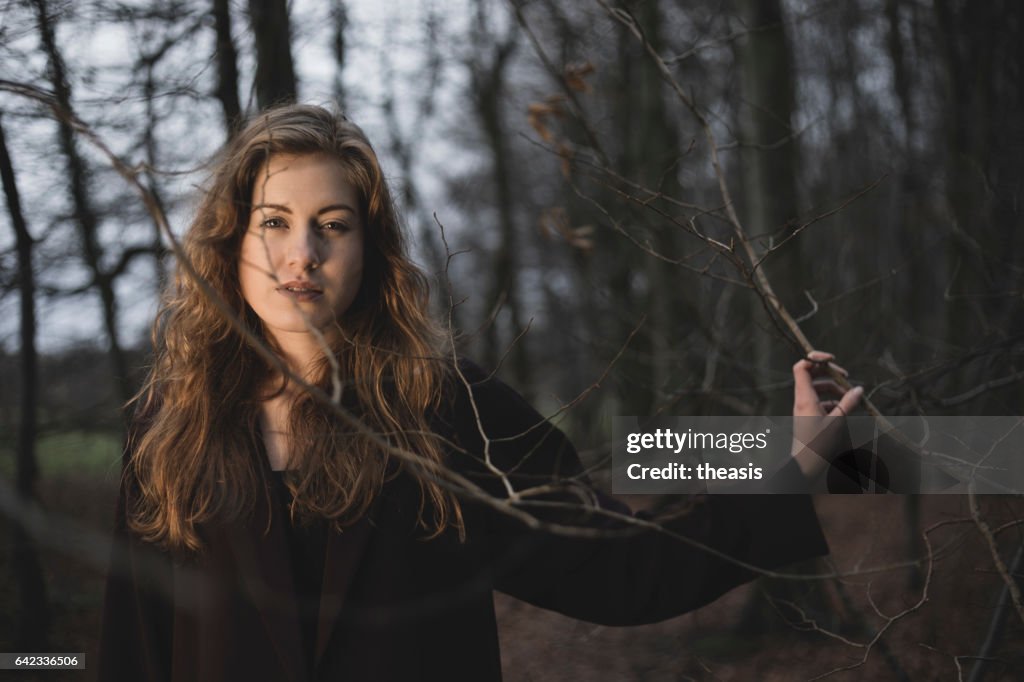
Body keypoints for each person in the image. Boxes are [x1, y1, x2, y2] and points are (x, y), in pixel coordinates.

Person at [98, 104, 862, 682]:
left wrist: (786, 467)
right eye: (275, 221)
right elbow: (135, 647)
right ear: (230, 236)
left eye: (334, 225)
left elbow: (617, 567)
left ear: (371, 251)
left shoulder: (447, 409)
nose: (303, 253)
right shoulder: (172, 427)